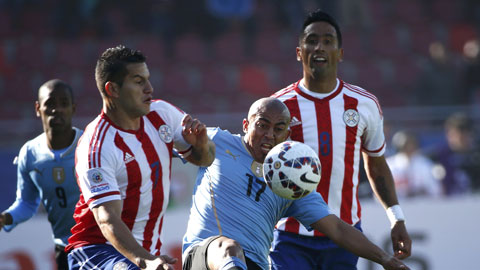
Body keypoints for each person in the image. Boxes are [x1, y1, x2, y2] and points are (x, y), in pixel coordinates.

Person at [182, 97, 410, 270]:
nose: (270, 134)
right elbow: (170, 138)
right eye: (262, 125)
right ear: (245, 125)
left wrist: (385, 259)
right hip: (204, 255)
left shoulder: (291, 181)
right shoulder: (217, 142)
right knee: (230, 248)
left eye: (279, 129)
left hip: (255, 264)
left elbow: (338, 229)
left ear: (287, 134)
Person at [270, 10, 412, 269]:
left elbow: (376, 165)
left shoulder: (365, 104)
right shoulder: (278, 106)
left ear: (340, 53)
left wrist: (396, 217)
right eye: (311, 41)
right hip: (290, 235)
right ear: (299, 52)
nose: (319, 47)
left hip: (345, 237)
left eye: (328, 40)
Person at [65, 45, 215, 270]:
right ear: (113, 89)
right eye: (138, 81)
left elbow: (205, 159)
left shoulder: (162, 114)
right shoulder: (96, 146)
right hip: (97, 251)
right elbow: (107, 219)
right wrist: (145, 260)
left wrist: (202, 145)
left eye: (148, 79)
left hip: (143, 255)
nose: (150, 88)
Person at [0, 79, 82, 270]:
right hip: (64, 248)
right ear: (38, 108)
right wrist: (6, 218)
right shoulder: (29, 153)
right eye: (50, 104)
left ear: (73, 108)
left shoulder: (89, 146)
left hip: (99, 245)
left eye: (64, 103)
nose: (57, 109)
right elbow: (27, 203)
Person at [429, 112, 480, 195]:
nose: (460, 138)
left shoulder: (477, 155)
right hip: (448, 204)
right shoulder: (437, 156)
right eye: (456, 134)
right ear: (448, 134)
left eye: (464, 134)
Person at [386, 130, 442, 198]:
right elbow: (381, 193)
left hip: (422, 205)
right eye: (406, 146)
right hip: (397, 204)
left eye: (412, 144)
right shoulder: (389, 164)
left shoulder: (425, 163)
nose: (409, 148)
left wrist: (419, 191)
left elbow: (436, 191)